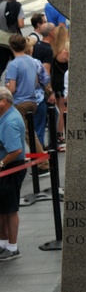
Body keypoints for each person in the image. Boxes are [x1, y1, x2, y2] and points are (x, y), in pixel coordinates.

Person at [0, 88, 25, 261]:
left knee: (10, 208)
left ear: (3, 101)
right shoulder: (6, 116)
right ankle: (3, 244)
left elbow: (15, 149)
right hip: (7, 167)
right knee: (3, 209)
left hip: (10, 168)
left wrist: (1, 163)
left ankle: (12, 247)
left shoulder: (10, 121)